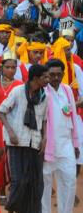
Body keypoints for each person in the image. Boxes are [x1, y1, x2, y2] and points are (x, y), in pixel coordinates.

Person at [0, 63, 49, 213]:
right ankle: (12, 209)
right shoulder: (18, 91)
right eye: (44, 77)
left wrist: (45, 138)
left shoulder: (44, 96)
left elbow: (44, 120)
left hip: (35, 143)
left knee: (35, 182)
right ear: (36, 78)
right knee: (19, 181)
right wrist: (10, 132)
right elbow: (1, 111)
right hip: (17, 142)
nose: (47, 80)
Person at [40, 59, 79, 213]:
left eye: (58, 74)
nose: (55, 78)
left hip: (66, 145)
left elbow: (73, 117)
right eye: (52, 75)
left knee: (69, 182)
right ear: (47, 75)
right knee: (44, 185)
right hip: (46, 146)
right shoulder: (42, 91)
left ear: (63, 74)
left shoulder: (67, 90)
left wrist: (75, 144)